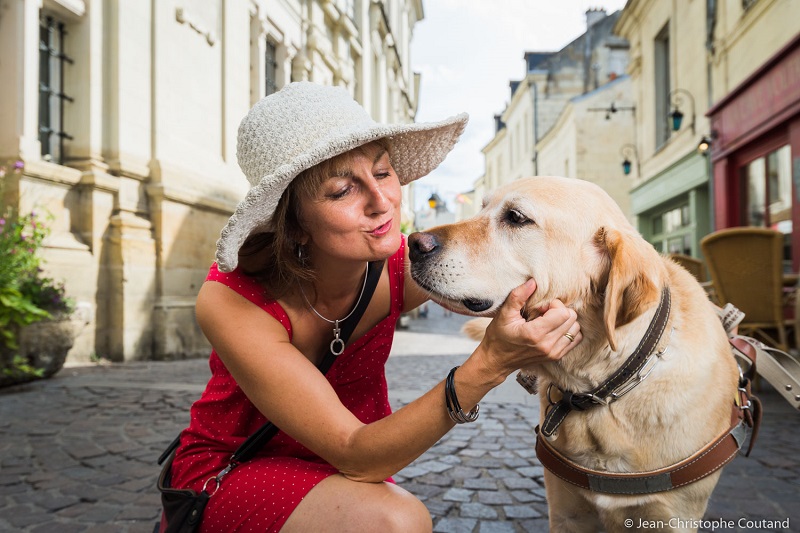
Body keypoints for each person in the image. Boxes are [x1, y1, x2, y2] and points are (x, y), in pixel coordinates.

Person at [165, 82, 582, 532]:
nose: (381, 202)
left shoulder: (402, 267)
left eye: (383, 173)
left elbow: (521, 288)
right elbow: (354, 451)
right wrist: (491, 363)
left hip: (351, 474)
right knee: (395, 521)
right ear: (296, 223)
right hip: (234, 471)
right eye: (343, 190)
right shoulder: (231, 298)